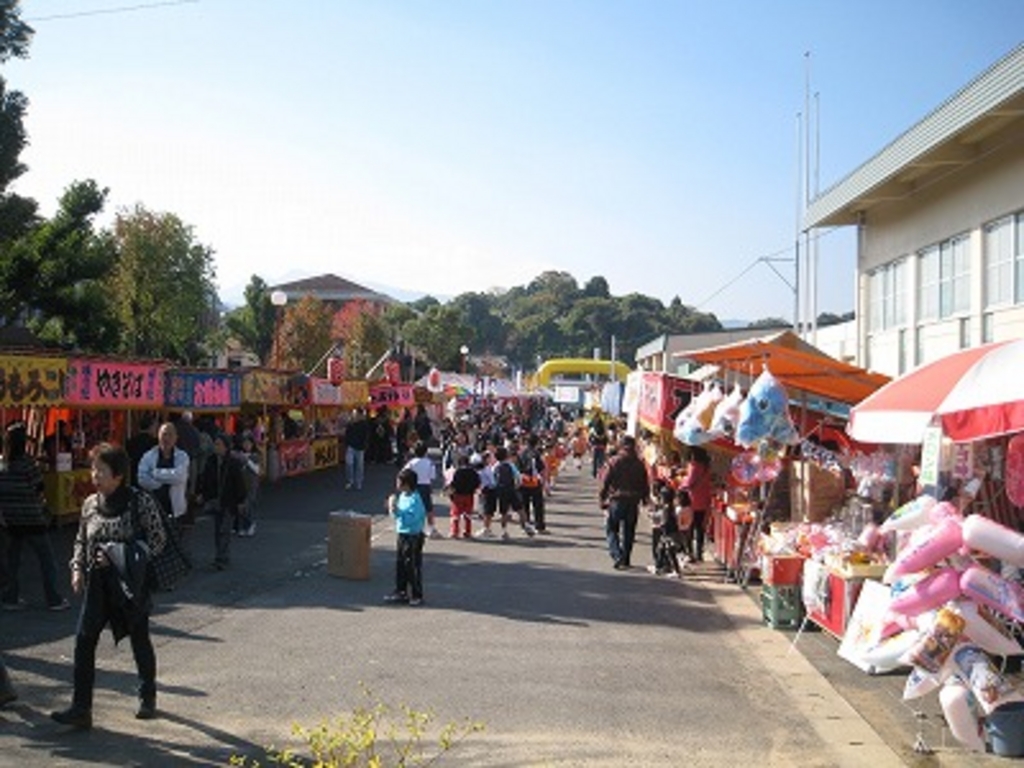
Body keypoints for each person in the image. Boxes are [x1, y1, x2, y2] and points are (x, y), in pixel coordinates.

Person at [50, 443, 167, 729]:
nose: (95, 476)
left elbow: (158, 539)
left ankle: (147, 696)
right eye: (94, 469)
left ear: (118, 476)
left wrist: (122, 554)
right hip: (97, 583)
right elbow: (81, 539)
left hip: (129, 583)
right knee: (83, 640)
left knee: (139, 637)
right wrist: (77, 568)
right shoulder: (90, 503)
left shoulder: (140, 501)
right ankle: (81, 708)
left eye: (101, 471)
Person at [0, 423, 69, 611]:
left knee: (13, 560)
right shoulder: (28, 464)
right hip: (32, 518)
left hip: (10, 519)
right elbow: (39, 487)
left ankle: (10, 597)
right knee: (47, 560)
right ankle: (53, 599)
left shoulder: (2, 464)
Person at [599, 434, 650, 570]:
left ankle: (617, 555)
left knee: (612, 529)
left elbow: (605, 482)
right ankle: (626, 558)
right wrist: (645, 499)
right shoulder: (639, 464)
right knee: (629, 531)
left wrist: (602, 499)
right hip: (633, 501)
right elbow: (645, 484)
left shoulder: (614, 461)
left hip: (617, 500)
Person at [196, 433, 247, 570]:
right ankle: (221, 555)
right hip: (215, 499)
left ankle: (222, 558)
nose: (216, 447)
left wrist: (241, 500)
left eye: (218, 444)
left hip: (229, 500)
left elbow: (239, 483)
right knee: (218, 529)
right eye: (215, 444)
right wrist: (202, 493)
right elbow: (205, 479)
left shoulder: (233, 462)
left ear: (226, 446)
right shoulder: (211, 461)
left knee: (224, 529)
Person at [137, 422, 190, 535]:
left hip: (176, 510)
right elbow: (142, 478)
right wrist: (160, 484)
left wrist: (155, 473)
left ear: (176, 437)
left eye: (170, 435)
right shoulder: (148, 456)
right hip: (153, 510)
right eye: (164, 434)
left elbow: (179, 477)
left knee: (176, 546)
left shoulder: (182, 456)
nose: (166, 438)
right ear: (158, 436)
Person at [384, 468, 427, 606]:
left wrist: (398, 511)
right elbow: (397, 516)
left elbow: (412, 519)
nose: (397, 483)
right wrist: (392, 509)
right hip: (402, 533)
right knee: (401, 564)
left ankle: (417, 594)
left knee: (412, 565)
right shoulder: (403, 496)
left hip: (413, 536)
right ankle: (400, 591)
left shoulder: (415, 499)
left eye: (399, 481)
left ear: (407, 484)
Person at [493, 445, 536, 540]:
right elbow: (518, 477)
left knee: (503, 512)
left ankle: (504, 531)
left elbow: (493, 479)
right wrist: (517, 486)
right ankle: (526, 526)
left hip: (502, 491)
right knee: (520, 509)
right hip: (512, 490)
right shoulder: (510, 465)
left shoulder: (496, 466)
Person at [681, 447, 713, 563]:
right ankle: (699, 552)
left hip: (692, 501)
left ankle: (689, 553)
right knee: (700, 528)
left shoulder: (694, 466)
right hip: (704, 501)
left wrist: (682, 481)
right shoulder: (706, 468)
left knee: (689, 528)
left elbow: (689, 483)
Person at [403, 441, 441, 539]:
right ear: (426, 452)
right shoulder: (429, 462)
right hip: (425, 486)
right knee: (428, 508)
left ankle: (414, 527)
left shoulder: (411, 463)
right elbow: (433, 476)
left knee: (414, 507)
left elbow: (404, 473)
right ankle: (431, 528)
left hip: (414, 486)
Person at [517, 433, 548, 533]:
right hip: (535, 481)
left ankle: (525, 525)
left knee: (524, 505)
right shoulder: (537, 454)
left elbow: (518, 469)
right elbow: (541, 469)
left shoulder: (521, 453)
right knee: (538, 505)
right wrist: (544, 482)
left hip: (523, 481)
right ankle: (539, 526)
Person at [446, 454, 481, 539]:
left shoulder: (458, 472)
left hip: (458, 495)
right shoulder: (473, 472)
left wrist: (449, 491)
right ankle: (467, 532)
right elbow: (477, 483)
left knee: (456, 514)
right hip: (469, 495)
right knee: (468, 514)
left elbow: (453, 483)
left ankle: (455, 532)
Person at [234, 433, 261, 537]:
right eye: (244, 443)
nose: (246, 445)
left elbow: (257, 470)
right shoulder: (239, 455)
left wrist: (247, 461)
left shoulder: (255, 455)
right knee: (241, 506)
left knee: (248, 504)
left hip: (252, 484)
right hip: (241, 483)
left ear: (252, 444)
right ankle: (244, 526)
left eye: (248, 443)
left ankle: (251, 525)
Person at [125, 415, 158, 488]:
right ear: (151, 426)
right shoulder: (154, 443)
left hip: (134, 475)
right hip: (149, 476)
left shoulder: (131, 442)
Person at [342, 408, 369, 490]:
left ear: (360, 415)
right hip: (351, 446)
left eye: (355, 414)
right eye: (353, 414)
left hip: (360, 447)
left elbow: (366, 436)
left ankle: (358, 482)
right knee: (349, 463)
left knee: (359, 465)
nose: (354, 415)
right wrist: (346, 443)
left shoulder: (364, 424)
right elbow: (347, 434)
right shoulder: (351, 424)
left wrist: (365, 445)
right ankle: (350, 481)